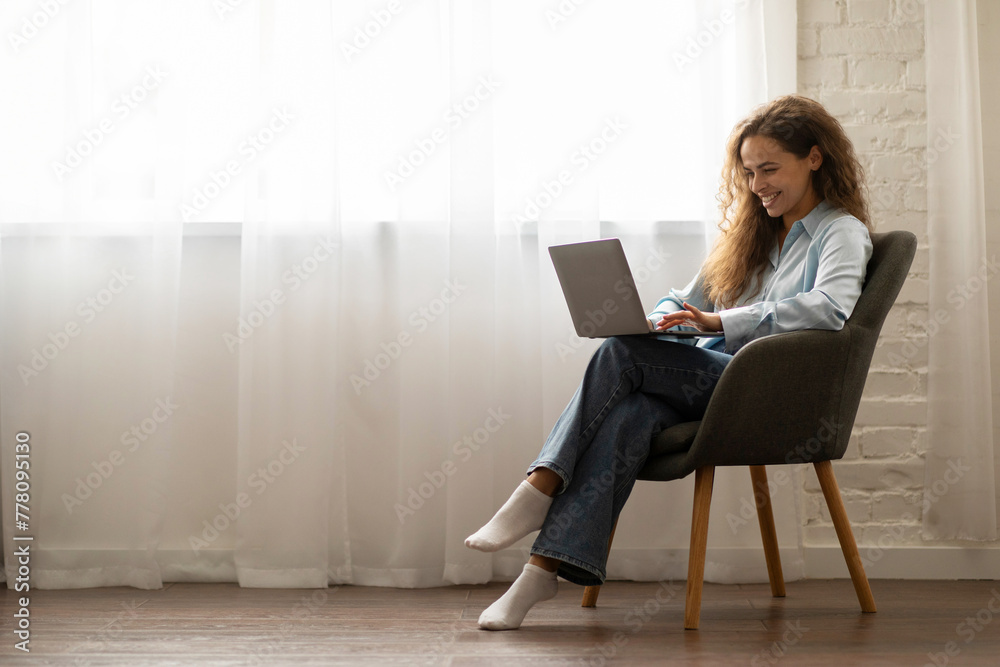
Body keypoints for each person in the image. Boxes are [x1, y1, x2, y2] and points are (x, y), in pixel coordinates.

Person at [464, 94, 874, 630]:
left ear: (815, 159)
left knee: (619, 353)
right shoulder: (749, 236)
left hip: (763, 389)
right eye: (749, 172)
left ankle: (540, 487)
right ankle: (541, 572)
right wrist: (662, 319)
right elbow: (684, 298)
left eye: (770, 169)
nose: (757, 185)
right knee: (627, 412)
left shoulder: (840, 231)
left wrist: (719, 323)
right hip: (707, 383)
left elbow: (829, 310)